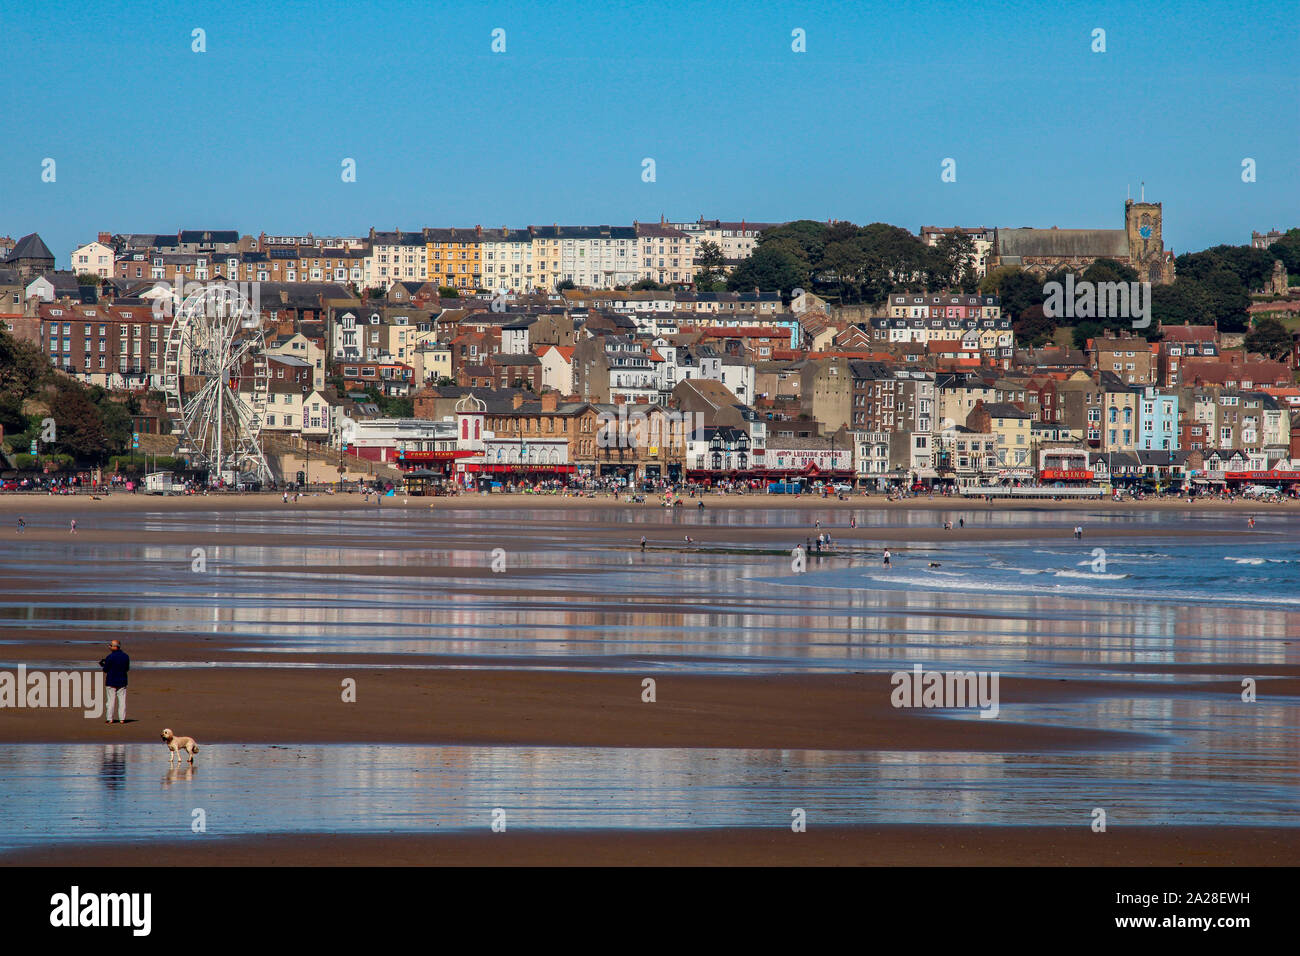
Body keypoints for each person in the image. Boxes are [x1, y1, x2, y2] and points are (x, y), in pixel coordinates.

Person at [99, 639, 129, 724]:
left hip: (111, 681)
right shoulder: (125, 656)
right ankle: (122, 719)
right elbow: (127, 668)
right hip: (122, 680)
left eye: (110, 645)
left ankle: (110, 719)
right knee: (122, 701)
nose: (109, 646)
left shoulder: (110, 657)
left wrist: (103, 665)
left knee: (110, 701)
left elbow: (105, 669)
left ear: (115, 647)